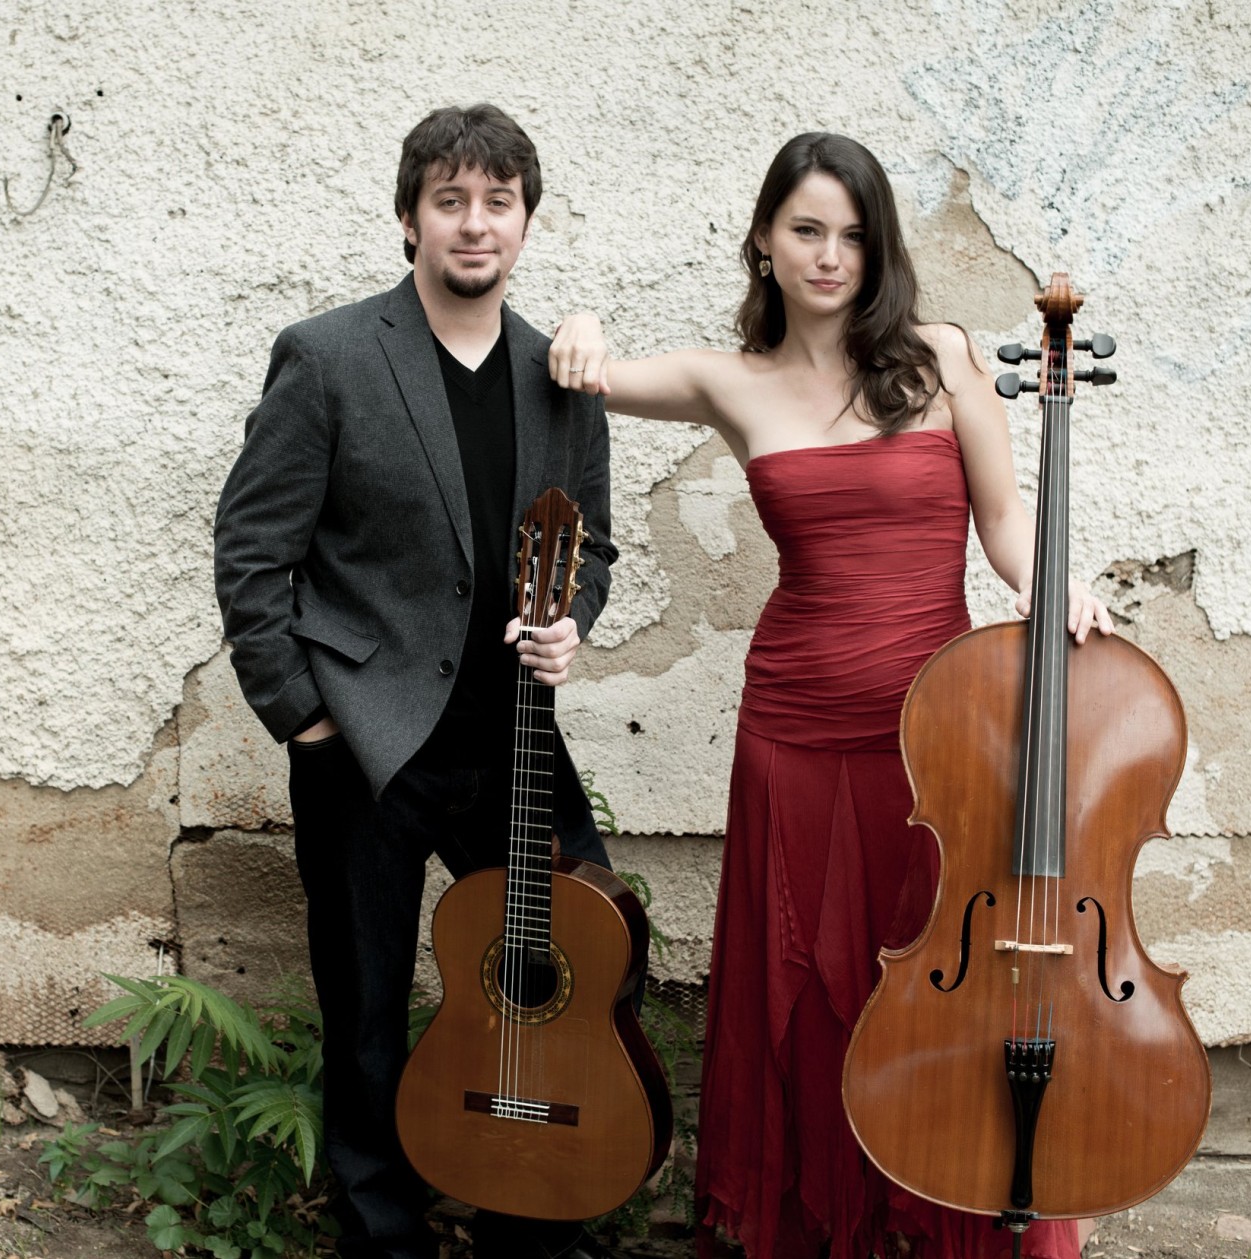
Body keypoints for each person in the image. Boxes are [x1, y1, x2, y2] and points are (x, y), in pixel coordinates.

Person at [548, 132, 1108, 1259]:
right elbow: (584, 377)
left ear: (878, 246)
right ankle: (820, 1224)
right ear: (763, 239)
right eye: (806, 229)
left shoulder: (942, 356)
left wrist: (1062, 579)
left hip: (939, 731)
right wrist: (580, 327)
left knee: (945, 977)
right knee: (801, 985)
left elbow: (1004, 523)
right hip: (791, 725)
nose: (829, 254)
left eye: (852, 234)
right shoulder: (727, 379)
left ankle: (954, 1211)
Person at [214, 104, 620, 1259]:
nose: (474, 223)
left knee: (575, 969)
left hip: (516, 738)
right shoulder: (331, 355)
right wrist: (299, 713)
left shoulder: (562, 373)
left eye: (497, 201)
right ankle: (383, 1236)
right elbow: (252, 548)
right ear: (410, 219)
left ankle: (528, 1215)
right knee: (368, 1016)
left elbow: (589, 547)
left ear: (525, 222)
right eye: (450, 200)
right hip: (366, 741)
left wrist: (571, 625)